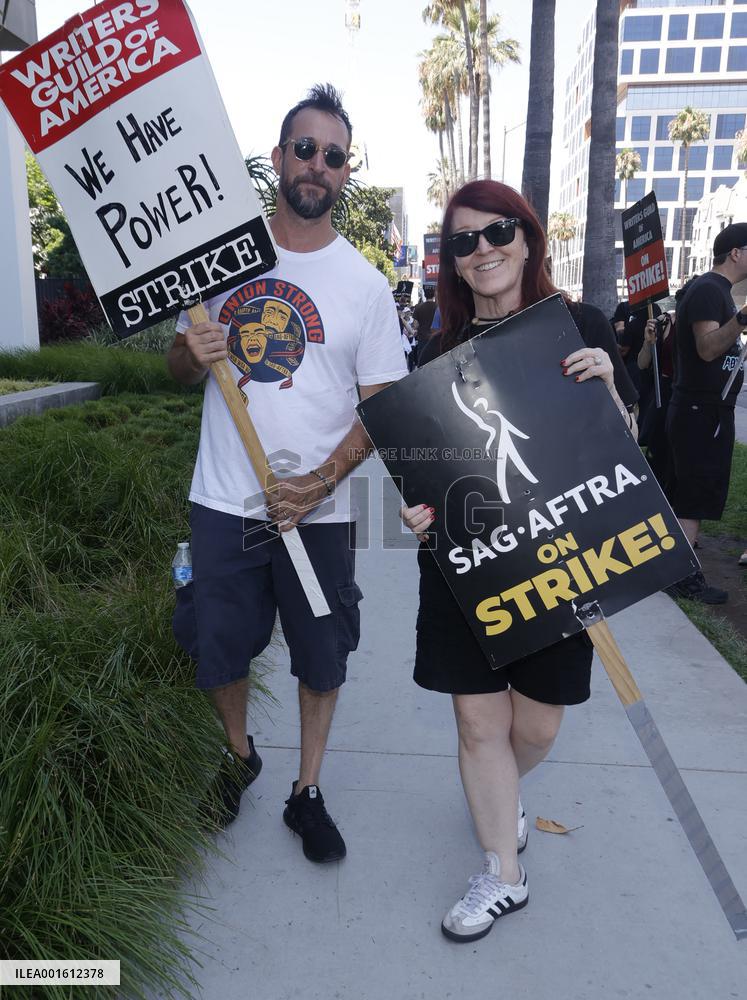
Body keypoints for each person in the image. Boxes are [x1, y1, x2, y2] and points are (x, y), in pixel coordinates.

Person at [167, 84, 407, 862]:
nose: (317, 165)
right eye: (305, 149)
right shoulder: (221, 263)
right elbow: (179, 369)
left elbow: (382, 406)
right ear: (278, 157)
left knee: (321, 654)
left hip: (320, 511)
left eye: (333, 156)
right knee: (217, 645)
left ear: (345, 173)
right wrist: (190, 352)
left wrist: (321, 483)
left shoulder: (364, 287)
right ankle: (239, 756)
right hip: (223, 499)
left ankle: (306, 789)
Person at [400, 180, 637, 944]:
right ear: (451, 261)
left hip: (561, 557)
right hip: (466, 565)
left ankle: (500, 799)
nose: (482, 249)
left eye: (497, 231)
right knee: (478, 725)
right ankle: (502, 870)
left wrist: (610, 390)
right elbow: (421, 465)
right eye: (462, 240)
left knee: (532, 729)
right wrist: (417, 511)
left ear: (527, 237)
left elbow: (628, 447)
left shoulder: (577, 325)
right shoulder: (436, 351)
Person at [664, 223, 747, 604]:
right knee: (693, 494)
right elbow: (708, 348)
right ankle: (683, 578)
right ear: (736, 253)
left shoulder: (717, 291)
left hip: (707, 409)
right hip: (700, 410)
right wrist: (741, 319)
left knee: (694, 491)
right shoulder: (709, 290)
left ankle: (678, 569)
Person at [637, 308, 675, 489]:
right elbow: (642, 363)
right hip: (664, 395)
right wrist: (648, 341)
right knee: (658, 453)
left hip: (691, 397)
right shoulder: (663, 322)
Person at [411, 285, 438, 365]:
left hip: (422, 339)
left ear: (425, 295)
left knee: (422, 363)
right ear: (434, 294)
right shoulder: (438, 307)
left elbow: (415, 325)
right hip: (435, 339)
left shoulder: (418, 307)